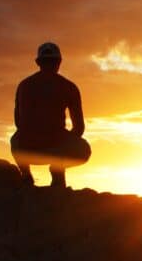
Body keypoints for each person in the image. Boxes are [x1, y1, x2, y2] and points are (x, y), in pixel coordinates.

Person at [10, 42, 91, 188]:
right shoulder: (69, 87)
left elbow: (18, 122)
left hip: (28, 148)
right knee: (84, 149)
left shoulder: (25, 85)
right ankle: (56, 171)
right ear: (59, 62)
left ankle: (27, 176)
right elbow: (79, 128)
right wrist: (62, 144)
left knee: (15, 140)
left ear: (37, 62)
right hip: (54, 146)